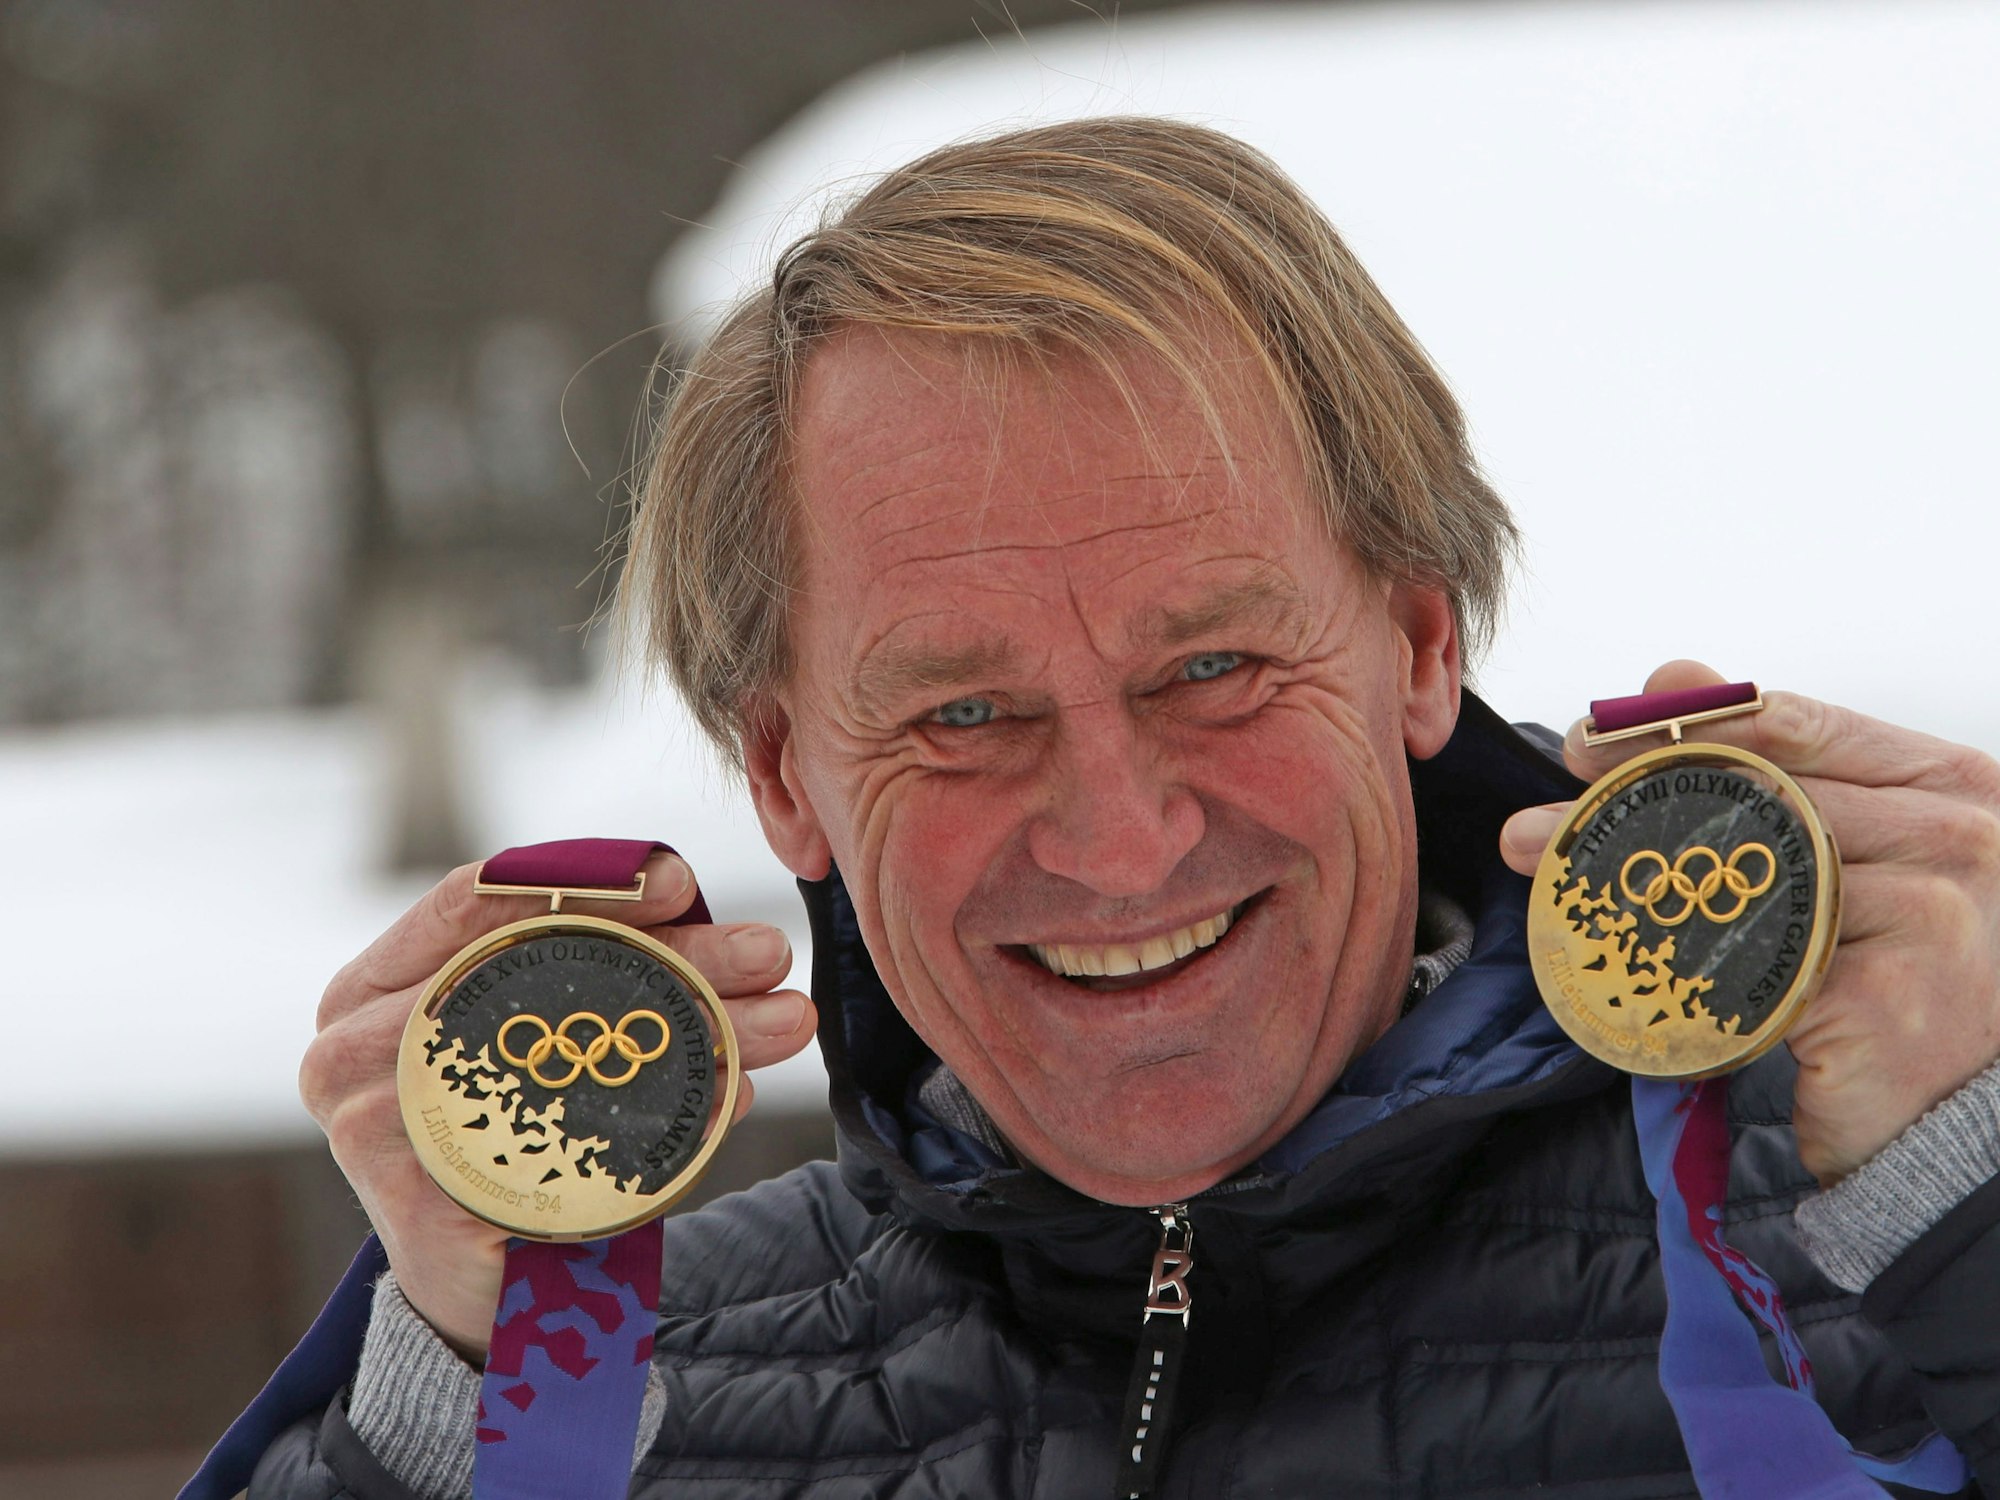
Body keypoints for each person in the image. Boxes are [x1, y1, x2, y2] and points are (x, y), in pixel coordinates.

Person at [236, 118, 2000, 1498]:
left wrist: (1971, 1214)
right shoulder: (621, 1398)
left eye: (1214, 669)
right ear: (783, 774)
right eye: (967, 711)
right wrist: (464, 1411)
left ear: (1416, 642)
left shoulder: (1854, 1236)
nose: (1120, 840)